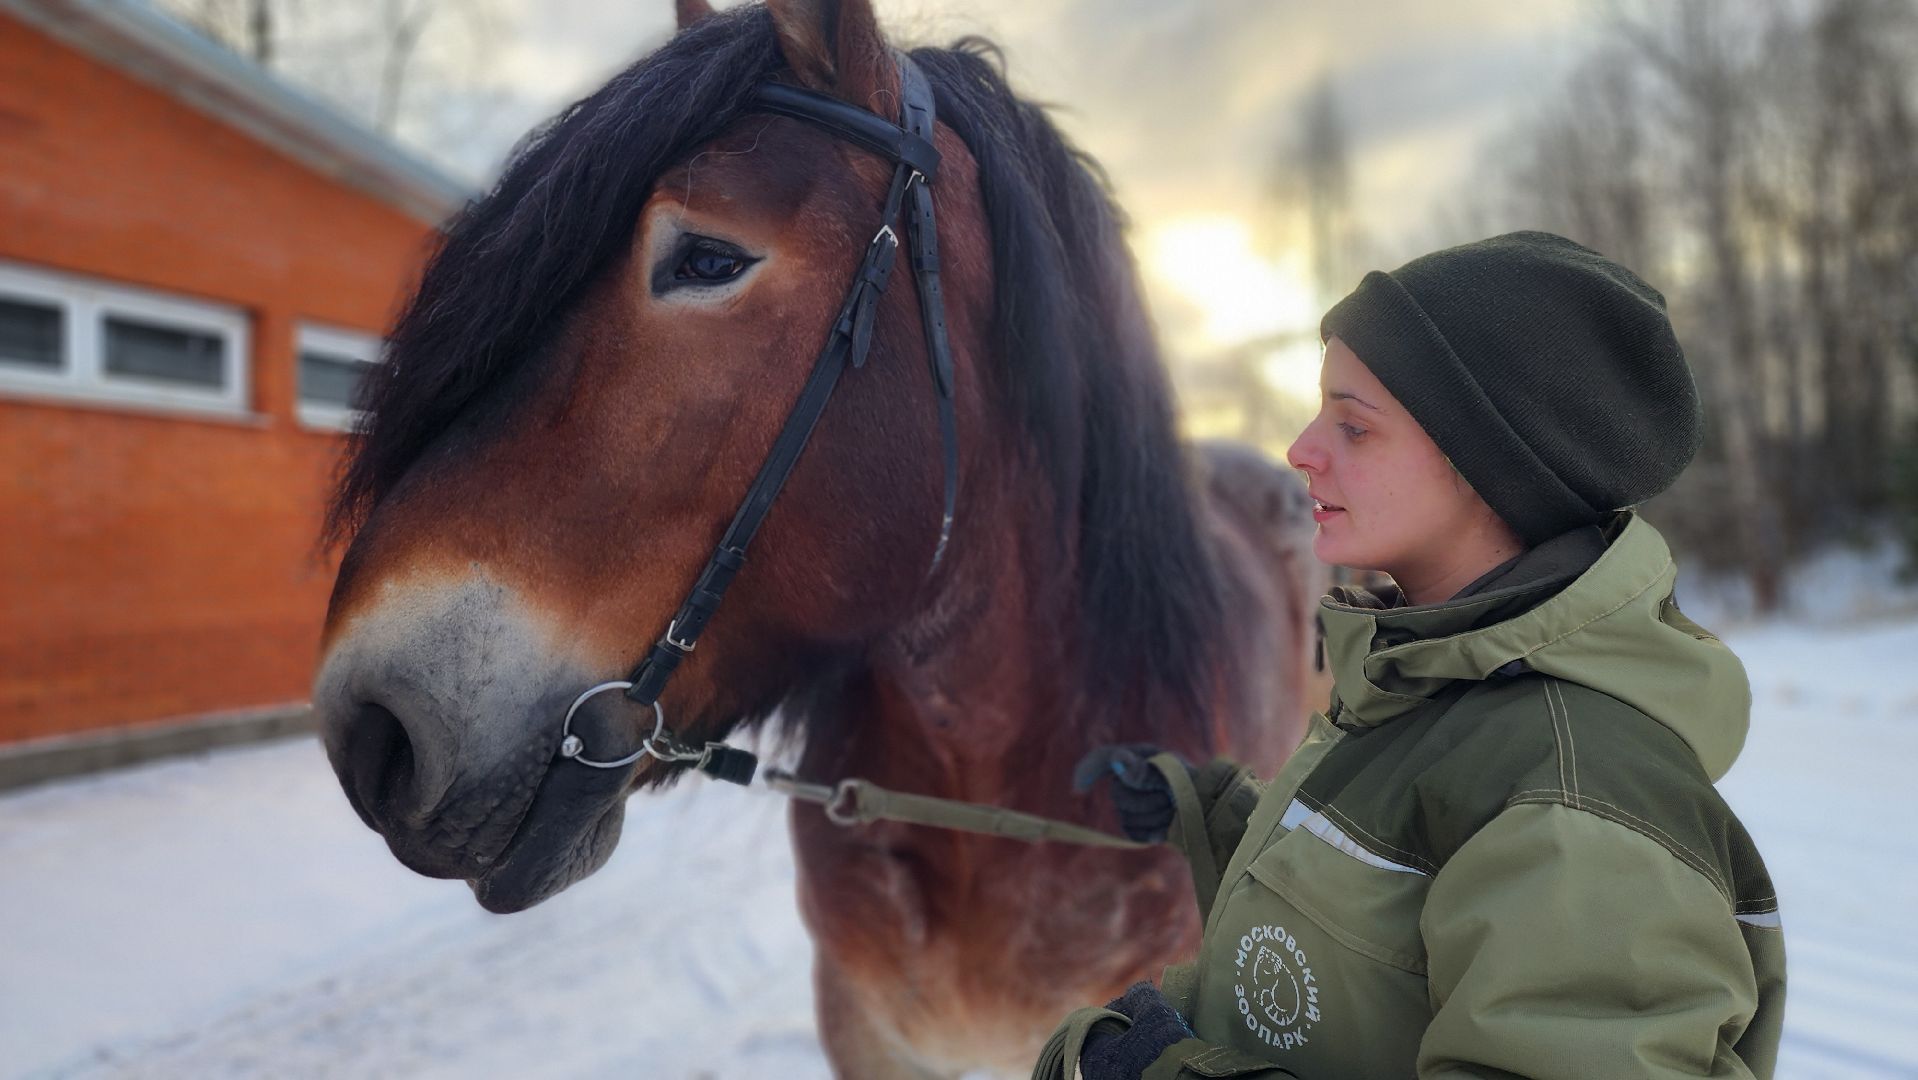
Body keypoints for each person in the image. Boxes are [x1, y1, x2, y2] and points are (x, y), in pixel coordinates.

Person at [1034, 232, 1786, 1080]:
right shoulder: (1433, 681)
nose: (1301, 449)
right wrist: (1202, 811)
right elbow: (1391, 914)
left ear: (1490, 464)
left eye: (1353, 425)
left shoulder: (1579, 811)